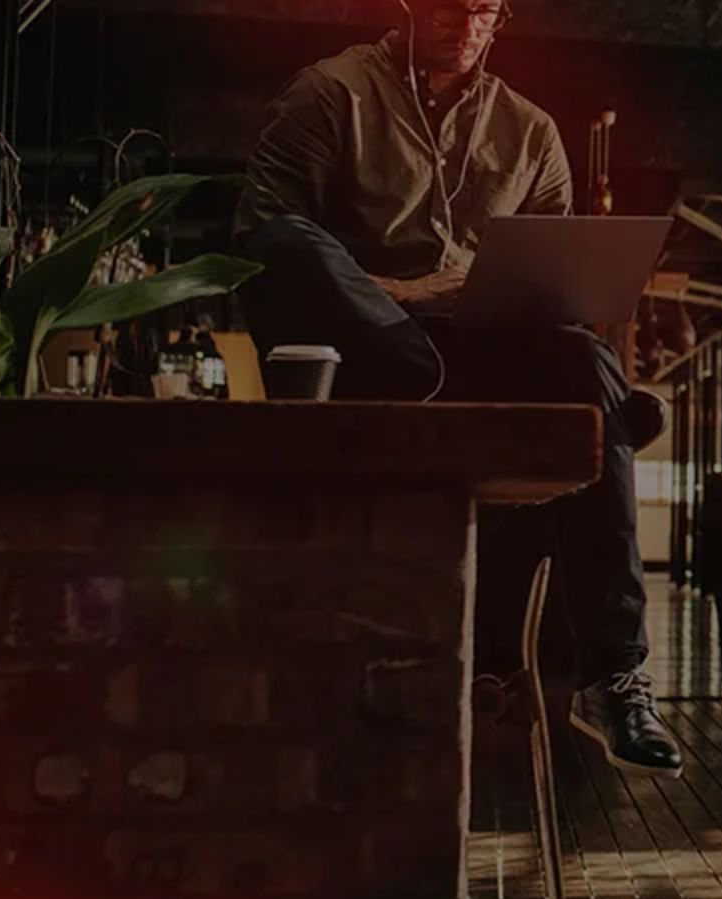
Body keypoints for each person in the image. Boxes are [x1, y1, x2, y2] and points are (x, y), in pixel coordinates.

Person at [232, 0, 681, 775]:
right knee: (285, 243)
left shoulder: (532, 130)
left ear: (499, 18)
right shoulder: (330, 93)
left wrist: (492, 306)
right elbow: (260, 257)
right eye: (445, 3)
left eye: (481, 8)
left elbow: (552, 286)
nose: (462, 22)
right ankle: (589, 416)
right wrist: (406, 295)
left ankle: (613, 677)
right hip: (374, 347)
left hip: (485, 353)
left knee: (583, 359)